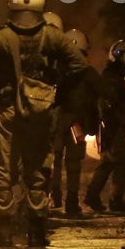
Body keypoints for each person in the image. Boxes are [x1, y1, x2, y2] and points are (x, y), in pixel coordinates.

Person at [0, 0, 87, 248]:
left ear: (11, 4)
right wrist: (56, 92)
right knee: (38, 168)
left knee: (3, 167)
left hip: (7, 109)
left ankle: (3, 230)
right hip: (42, 110)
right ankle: (37, 231)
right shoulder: (54, 37)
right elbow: (79, 66)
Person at [84, 39, 125, 214]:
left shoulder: (115, 75)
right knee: (117, 161)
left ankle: (95, 197)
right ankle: (113, 201)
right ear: (120, 56)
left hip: (111, 125)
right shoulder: (112, 75)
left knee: (110, 162)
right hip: (111, 126)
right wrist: (123, 113)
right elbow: (109, 103)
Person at [50, 28, 105, 216]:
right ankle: (71, 202)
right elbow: (104, 92)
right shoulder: (87, 72)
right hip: (76, 124)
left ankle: (53, 196)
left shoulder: (54, 69)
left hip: (56, 121)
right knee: (73, 162)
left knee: (53, 159)